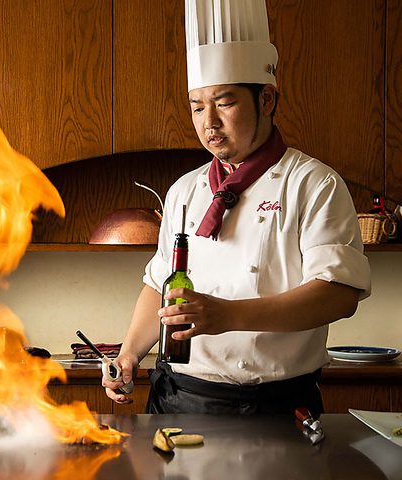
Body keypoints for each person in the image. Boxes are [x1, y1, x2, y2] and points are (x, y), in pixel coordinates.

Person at [103, 0, 371, 416]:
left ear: (266, 99)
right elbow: (159, 285)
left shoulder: (313, 183)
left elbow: (338, 296)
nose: (208, 123)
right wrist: (128, 354)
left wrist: (227, 315)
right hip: (178, 400)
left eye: (224, 103)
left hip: (277, 406)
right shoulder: (184, 190)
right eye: (196, 107)